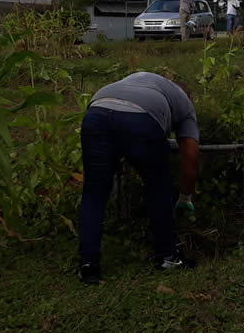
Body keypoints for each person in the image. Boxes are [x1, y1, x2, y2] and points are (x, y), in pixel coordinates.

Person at [77, 72, 199, 284]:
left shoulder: (142, 78)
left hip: (97, 111)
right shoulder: (185, 104)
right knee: (158, 189)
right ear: (187, 96)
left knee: (94, 194)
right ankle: (167, 258)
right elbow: (190, 153)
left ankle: (88, 265)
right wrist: (186, 196)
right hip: (140, 119)